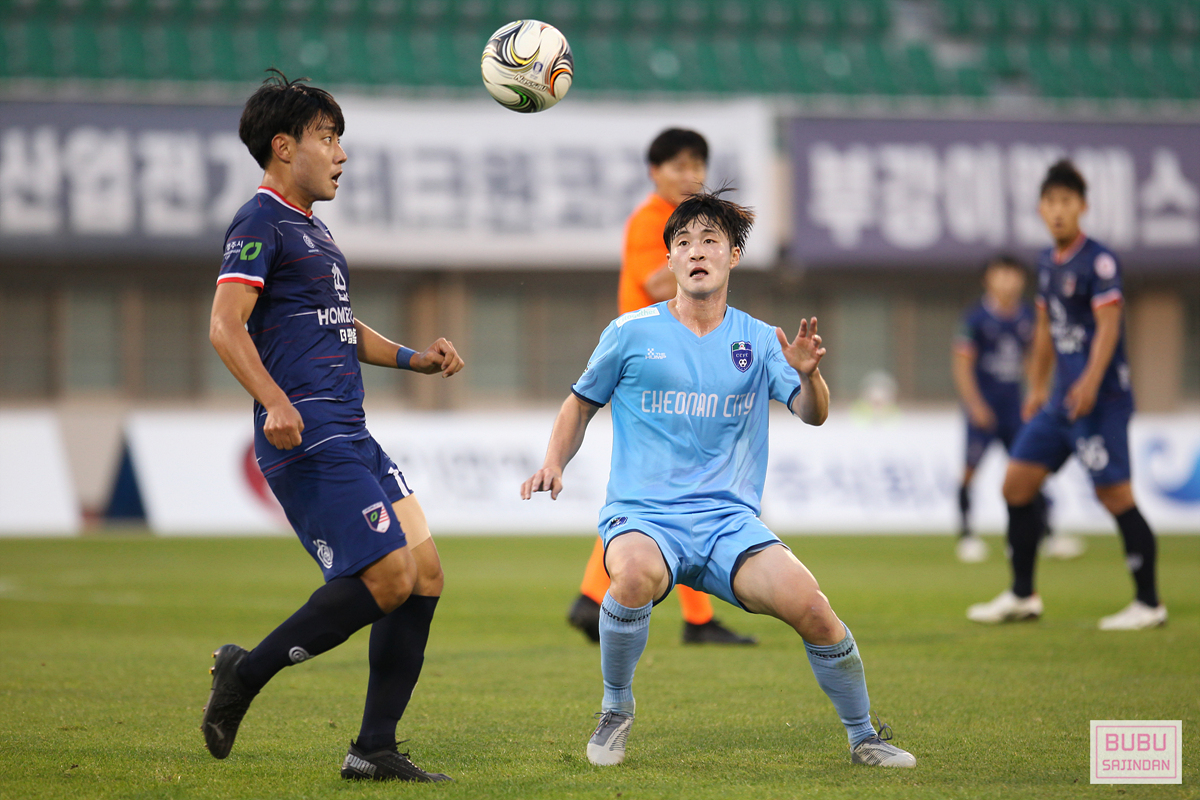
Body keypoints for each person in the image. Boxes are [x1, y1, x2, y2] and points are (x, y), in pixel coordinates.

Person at [523, 189, 916, 768]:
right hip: (645, 517)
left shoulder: (760, 340)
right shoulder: (629, 332)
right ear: (670, 260)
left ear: (733, 256)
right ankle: (616, 709)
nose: (696, 251)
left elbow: (812, 414)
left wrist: (810, 376)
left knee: (813, 607)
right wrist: (554, 461)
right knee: (630, 577)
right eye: (683, 242)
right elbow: (580, 404)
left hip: (729, 525)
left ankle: (864, 738)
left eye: (710, 240)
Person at [202, 70, 464, 782]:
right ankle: (244, 673)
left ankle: (373, 749)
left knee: (425, 575)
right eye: (327, 138)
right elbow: (225, 325)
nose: (341, 154)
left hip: (351, 428)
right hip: (307, 431)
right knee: (389, 576)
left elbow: (338, 325)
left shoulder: (312, 230)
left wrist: (413, 357)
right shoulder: (259, 220)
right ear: (283, 147)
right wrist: (274, 400)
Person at [567, 128, 756, 647]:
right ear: (655, 172)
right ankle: (689, 618)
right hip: (652, 364)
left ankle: (596, 596)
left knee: (664, 488)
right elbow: (653, 282)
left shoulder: (672, 221)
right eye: (678, 165)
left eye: (697, 165)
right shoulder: (652, 220)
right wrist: (707, 259)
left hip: (666, 363)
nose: (690, 175)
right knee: (681, 488)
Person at [967, 159, 1166, 630]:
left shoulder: (1099, 261)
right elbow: (1045, 327)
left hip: (1101, 400)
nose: (1058, 211)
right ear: (1041, 208)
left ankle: (1148, 603)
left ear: (1082, 207)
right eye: (1051, 202)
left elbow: (1109, 326)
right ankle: (1023, 595)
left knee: (1115, 495)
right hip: (1059, 403)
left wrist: (1091, 381)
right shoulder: (1047, 263)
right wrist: (1038, 386)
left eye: (1067, 202)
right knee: (1016, 484)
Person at [951, 256, 1084, 563]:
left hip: (1015, 409)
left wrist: (1037, 393)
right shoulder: (975, 319)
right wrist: (975, 405)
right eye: (1000, 275)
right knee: (970, 471)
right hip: (984, 408)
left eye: (1013, 275)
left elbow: (1035, 359)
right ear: (988, 279)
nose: (1007, 281)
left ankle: (1047, 535)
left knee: (1029, 471)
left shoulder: (1027, 316)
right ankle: (967, 535)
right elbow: (962, 365)